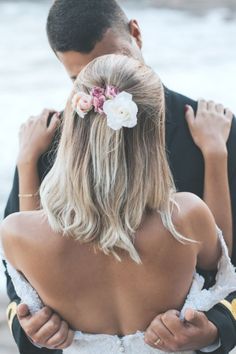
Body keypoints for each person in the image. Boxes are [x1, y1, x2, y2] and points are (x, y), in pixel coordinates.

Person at [3, 0, 236, 353]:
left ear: (136, 35)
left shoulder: (218, 135)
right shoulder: (42, 149)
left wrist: (216, 331)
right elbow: (17, 282)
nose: (105, 87)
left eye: (115, 60)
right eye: (80, 79)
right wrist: (29, 327)